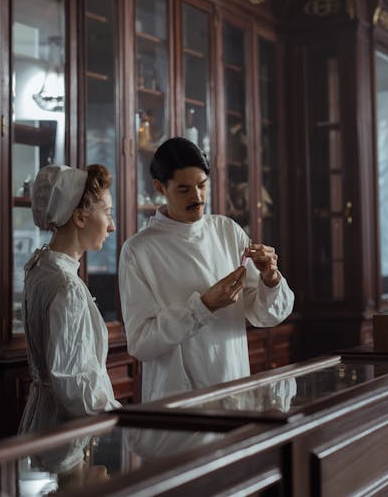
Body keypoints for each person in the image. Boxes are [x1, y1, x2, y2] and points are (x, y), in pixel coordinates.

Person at [118, 137, 294, 402]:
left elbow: (265, 316)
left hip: (234, 385)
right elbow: (141, 343)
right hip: (177, 402)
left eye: (202, 185)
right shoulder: (138, 250)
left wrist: (270, 279)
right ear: (159, 188)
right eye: (184, 189)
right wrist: (204, 306)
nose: (197, 197)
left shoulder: (227, 231)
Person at [19, 163, 121, 439]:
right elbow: (76, 391)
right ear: (79, 217)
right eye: (107, 213)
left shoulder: (39, 268)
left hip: (41, 420)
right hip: (67, 432)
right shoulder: (67, 287)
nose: (111, 226)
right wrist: (125, 422)